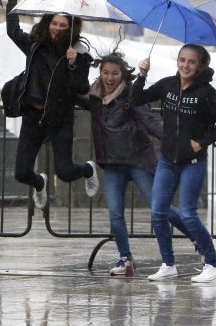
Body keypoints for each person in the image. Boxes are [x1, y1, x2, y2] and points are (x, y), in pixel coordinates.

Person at [77, 51, 192, 277]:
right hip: (111, 163)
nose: (110, 78)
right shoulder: (94, 97)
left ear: (123, 74)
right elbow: (70, 91)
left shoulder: (131, 95)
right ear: (100, 73)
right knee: (115, 214)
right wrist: (73, 63)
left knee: (159, 207)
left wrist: (175, 141)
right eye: (106, 73)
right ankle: (125, 259)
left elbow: (150, 121)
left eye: (115, 73)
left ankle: (197, 237)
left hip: (137, 158)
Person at [132, 44, 216, 283]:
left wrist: (201, 143)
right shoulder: (167, 85)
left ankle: (213, 263)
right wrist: (141, 75)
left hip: (192, 161)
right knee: (158, 213)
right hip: (167, 159)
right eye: (182, 60)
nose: (185, 65)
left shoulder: (206, 92)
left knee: (187, 214)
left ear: (200, 66)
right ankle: (168, 264)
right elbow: (136, 99)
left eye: (191, 62)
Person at [6, 0, 99, 209]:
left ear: (71, 28)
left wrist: (73, 62)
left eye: (62, 25)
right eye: (54, 23)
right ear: (48, 23)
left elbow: (81, 87)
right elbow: (12, 30)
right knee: (21, 173)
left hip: (59, 117)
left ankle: (88, 169)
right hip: (33, 115)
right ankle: (40, 183)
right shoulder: (35, 45)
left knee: (65, 172)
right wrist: (12, 0)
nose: (57, 29)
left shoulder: (78, 53)